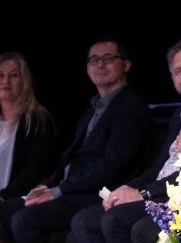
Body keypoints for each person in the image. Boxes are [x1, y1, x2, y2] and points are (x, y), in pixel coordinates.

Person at [0, 35, 155, 243]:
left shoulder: (132, 108)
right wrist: (46, 187)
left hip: (97, 192)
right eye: (94, 60)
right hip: (71, 187)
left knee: (24, 220)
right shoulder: (91, 111)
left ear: (126, 65)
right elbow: (70, 161)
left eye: (108, 58)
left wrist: (59, 190)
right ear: (87, 68)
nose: (100, 64)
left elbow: (111, 167)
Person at [69, 38, 181, 243]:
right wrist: (125, 190)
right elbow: (158, 167)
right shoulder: (178, 115)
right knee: (83, 221)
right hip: (160, 188)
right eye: (179, 71)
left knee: (114, 220)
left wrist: (143, 193)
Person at [0, 51, 59, 201]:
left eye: (13, 75)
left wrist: (3, 196)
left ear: (24, 81)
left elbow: (34, 172)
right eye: (1, 75)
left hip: (16, 200)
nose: (6, 80)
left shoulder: (37, 121)